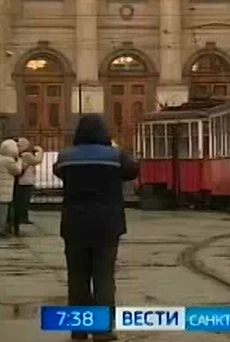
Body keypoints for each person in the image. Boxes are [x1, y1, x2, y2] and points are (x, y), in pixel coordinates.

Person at [54, 115, 139, 341]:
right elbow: (132, 171)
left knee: (77, 277)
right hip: (106, 224)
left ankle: (79, 328)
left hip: (74, 224)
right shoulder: (115, 156)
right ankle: (102, 330)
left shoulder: (66, 156)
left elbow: (58, 172)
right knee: (104, 276)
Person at [13, 137, 43, 233]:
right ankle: (22, 217)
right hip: (26, 181)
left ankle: (22, 217)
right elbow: (37, 161)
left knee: (20, 200)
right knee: (24, 200)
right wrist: (40, 151)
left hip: (21, 181)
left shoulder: (18, 155)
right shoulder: (26, 155)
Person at [0, 139, 22, 237]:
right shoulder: (9, 161)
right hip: (4, 190)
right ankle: (2, 230)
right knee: (3, 211)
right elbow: (17, 171)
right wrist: (19, 162)